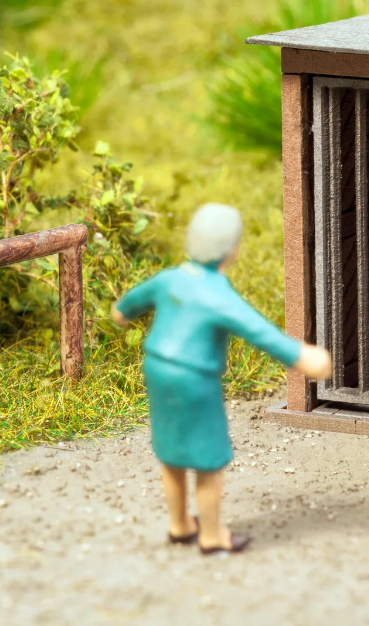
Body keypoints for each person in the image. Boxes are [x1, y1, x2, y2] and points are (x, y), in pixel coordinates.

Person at [112, 203, 332, 555]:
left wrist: (122, 312)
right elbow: (258, 330)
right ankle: (212, 536)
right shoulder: (218, 294)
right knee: (208, 460)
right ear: (231, 250)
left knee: (171, 453)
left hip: (157, 368)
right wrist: (301, 356)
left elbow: (130, 303)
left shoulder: (171, 277)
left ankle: (180, 524)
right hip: (193, 378)